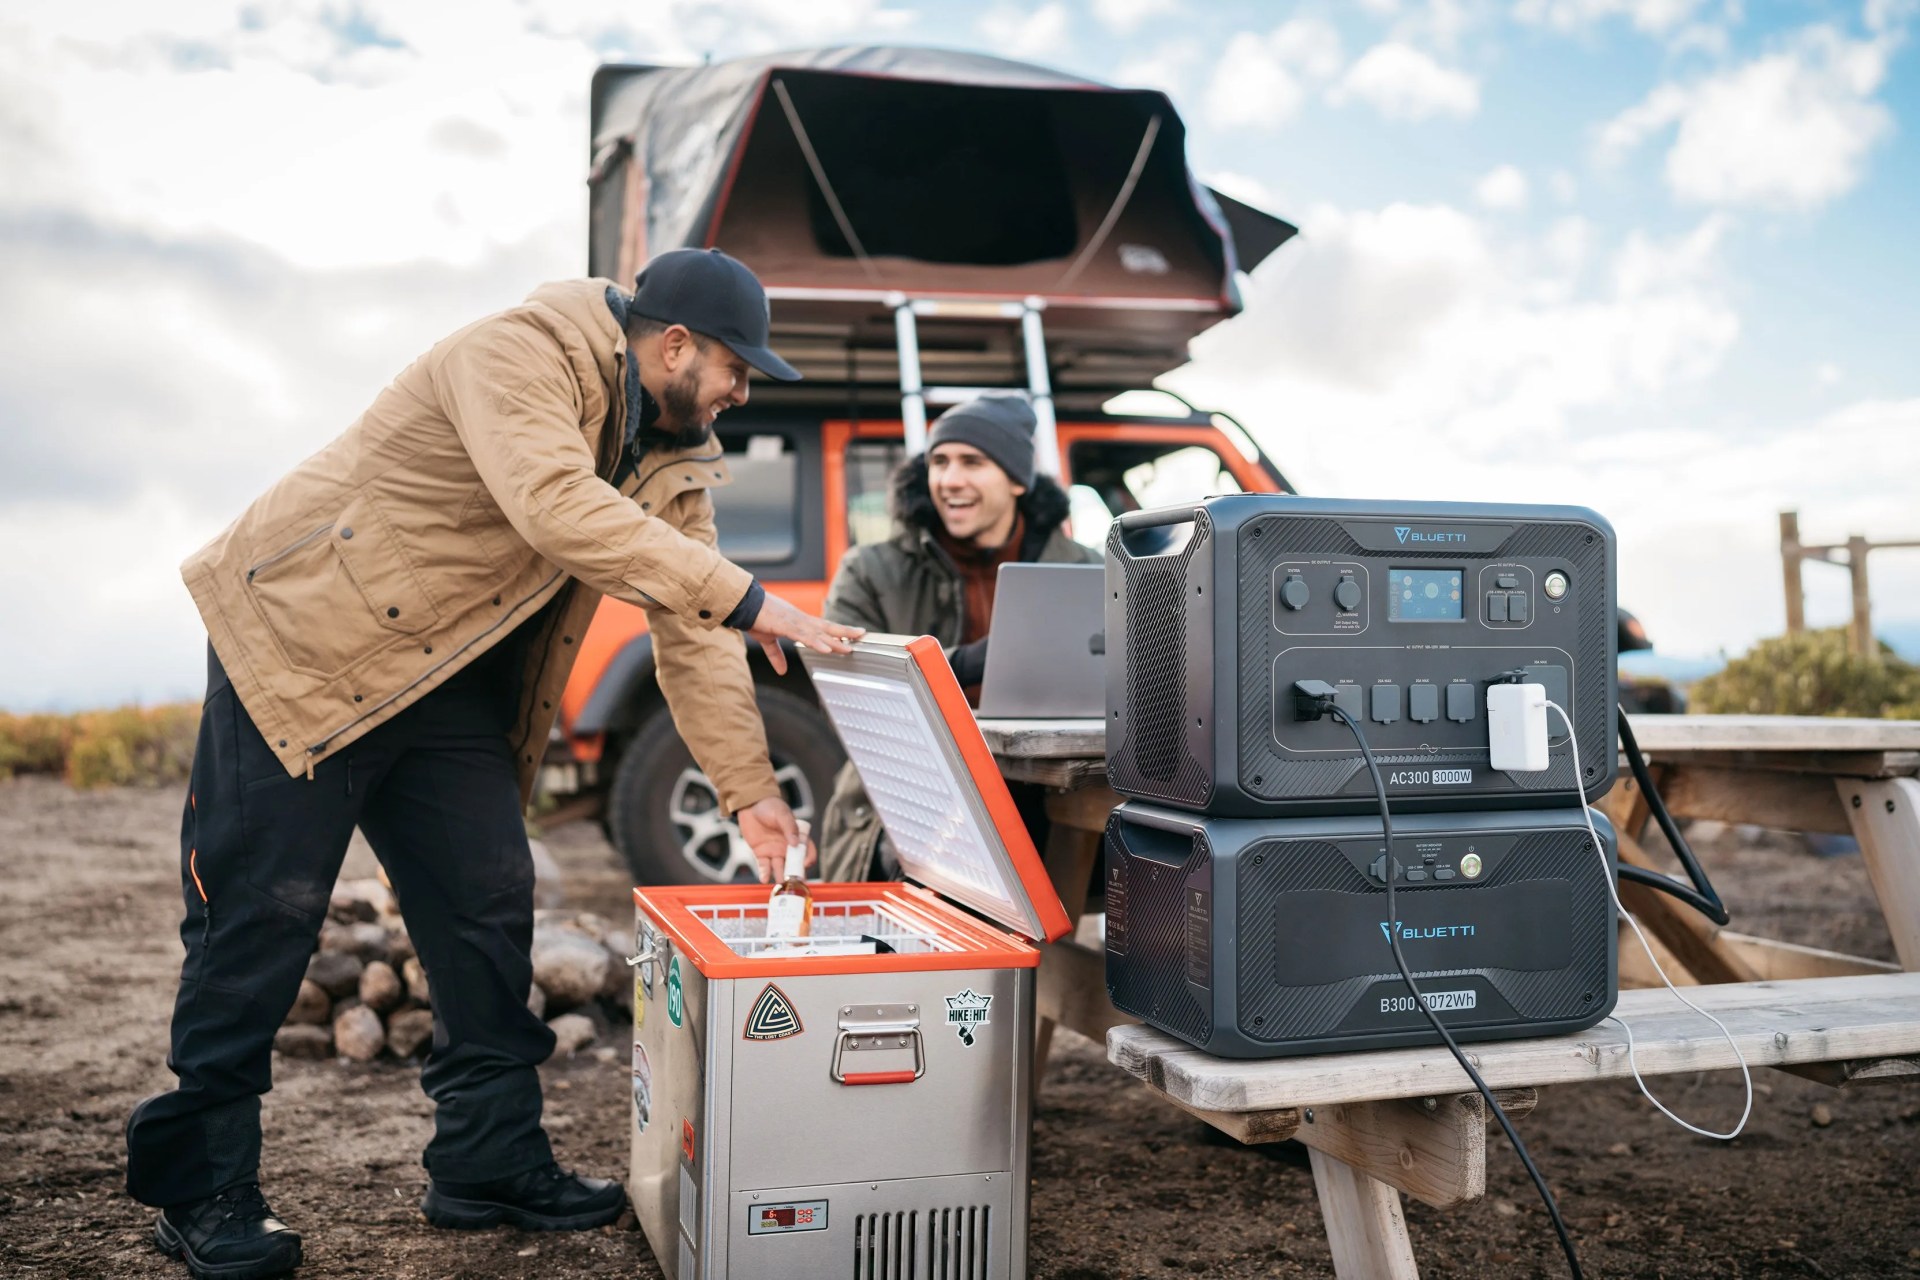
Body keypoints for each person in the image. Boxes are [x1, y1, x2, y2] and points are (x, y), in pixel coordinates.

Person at [126, 248, 863, 1280]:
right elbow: (555, 499)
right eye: (740, 368)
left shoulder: (674, 452)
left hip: (445, 676)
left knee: (486, 900)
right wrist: (749, 593)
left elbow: (690, 630)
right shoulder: (515, 352)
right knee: (261, 913)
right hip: (307, 643)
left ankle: (487, 1159)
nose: (745, 391)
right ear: (679, 344)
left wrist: (751, 792)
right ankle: (200, 1189)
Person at [815, 394, 1099, 882]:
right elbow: (844, 689)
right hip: (914, 798)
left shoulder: (1089, 570)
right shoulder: (870, 570)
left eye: (972, 462)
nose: (949, 480)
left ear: (1016, 480)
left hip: (1052, 794)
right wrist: (963, 664)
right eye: (939, 461)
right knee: (963, 864)